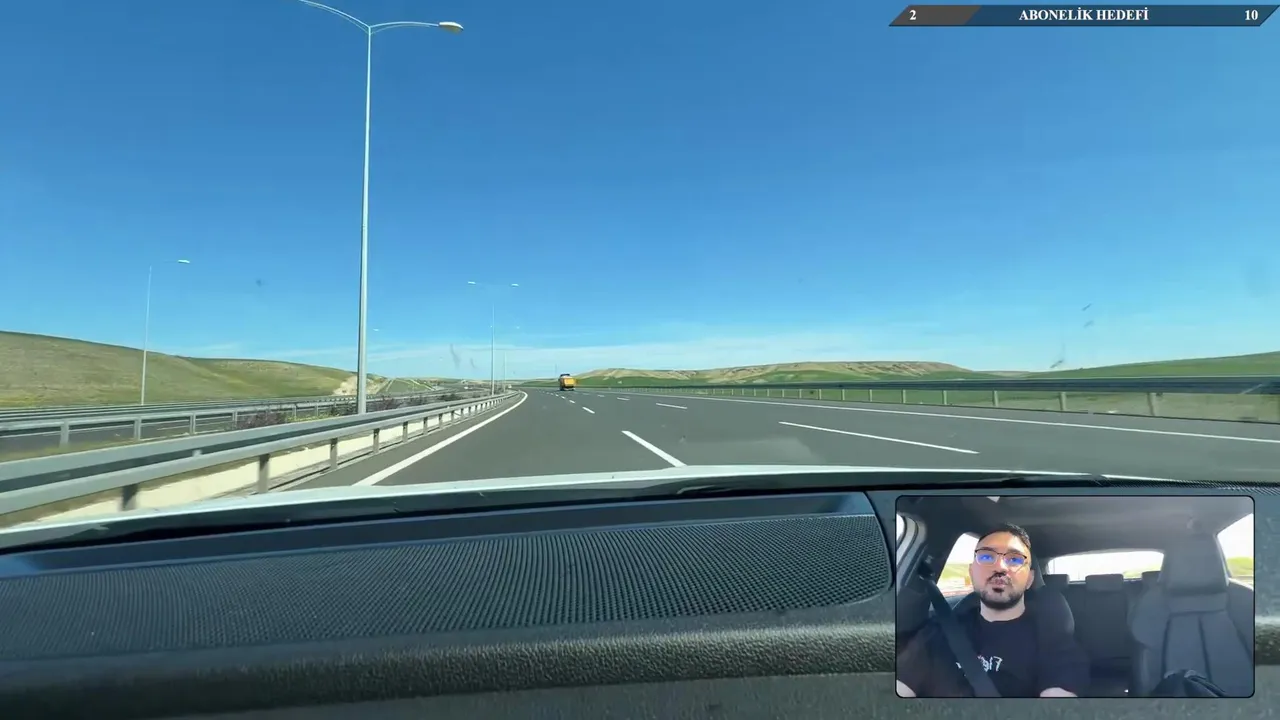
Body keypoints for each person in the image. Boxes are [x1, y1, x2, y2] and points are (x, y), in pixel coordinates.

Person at [896, 523, 1090, 698]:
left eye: (1014, 559)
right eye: (987, 557)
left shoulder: (1054, 643)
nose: (1000, 567)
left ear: (1029, 580)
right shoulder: (938, 631)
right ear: (972, 573)